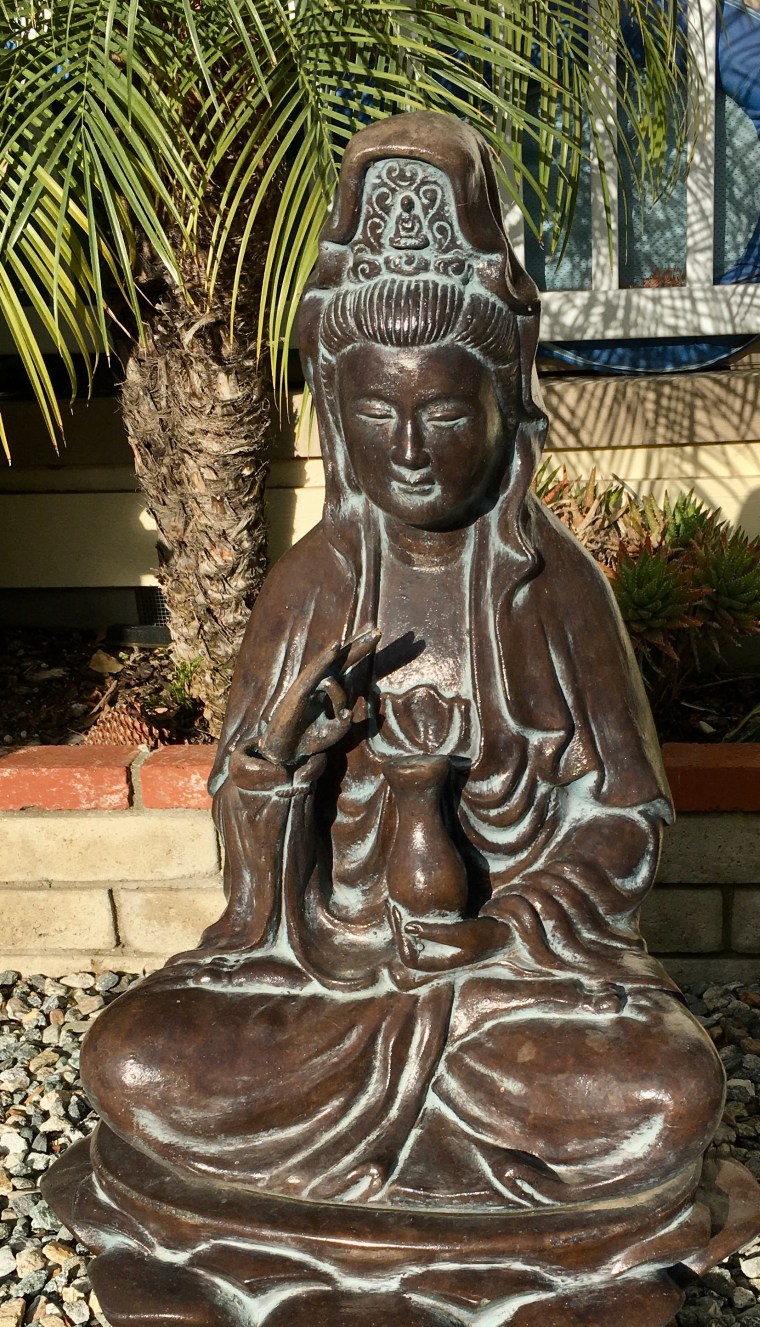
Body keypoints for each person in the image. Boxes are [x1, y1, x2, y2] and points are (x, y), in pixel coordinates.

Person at [82, 114, 724, 1217]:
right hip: (330, 971)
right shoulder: (309, 584)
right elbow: (251, 880)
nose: (411, 449)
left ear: (505, 409)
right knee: (132, 1057)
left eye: (444, 412)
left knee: (666, 1090)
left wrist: (499, 932)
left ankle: (373, 1178)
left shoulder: (557, 588)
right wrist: (276, 769)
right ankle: (462, 1187)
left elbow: (627, 818)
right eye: (377, 411)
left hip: (508, 990)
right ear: (338, 417)